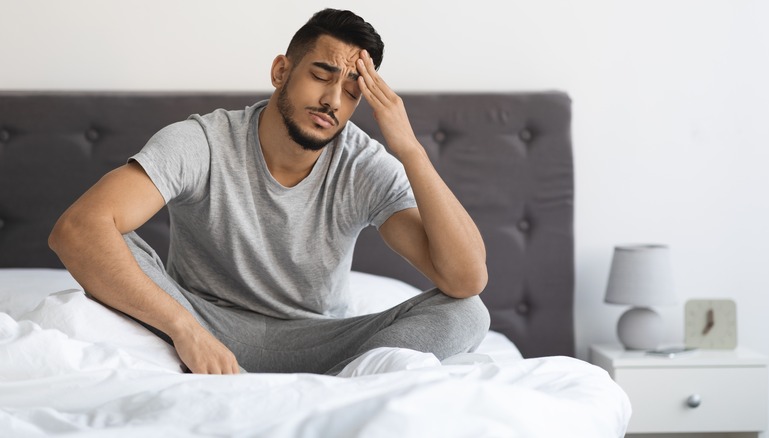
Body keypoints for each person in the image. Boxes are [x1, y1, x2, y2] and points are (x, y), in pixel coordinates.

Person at [49, 8, 490, 375]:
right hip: (200, 321)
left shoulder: (363, 165)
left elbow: (465, 279)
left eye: (352, 93)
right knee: (108, 236)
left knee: (468, 311)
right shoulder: (202, 140)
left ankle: (340, 391)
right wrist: (185, 329)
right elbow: (76, 229)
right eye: (322, 76)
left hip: (323, 346)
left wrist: (410, 149)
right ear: (282, 71)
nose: (333, 102)